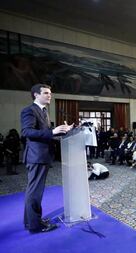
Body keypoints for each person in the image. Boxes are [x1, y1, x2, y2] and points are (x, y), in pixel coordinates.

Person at [21, 83, 73, 234]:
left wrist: (62, 131)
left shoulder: (43, 111)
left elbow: (46, 133)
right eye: (46, 93)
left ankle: (31, 221)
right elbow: (26, 132)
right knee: (35, 192)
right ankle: (35, 226)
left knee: (34, 191)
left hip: (42, 156)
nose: (49, 95)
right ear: (36, 95)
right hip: (37, 157)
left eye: (50, 93)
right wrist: (52, 132)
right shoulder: (29, 111)